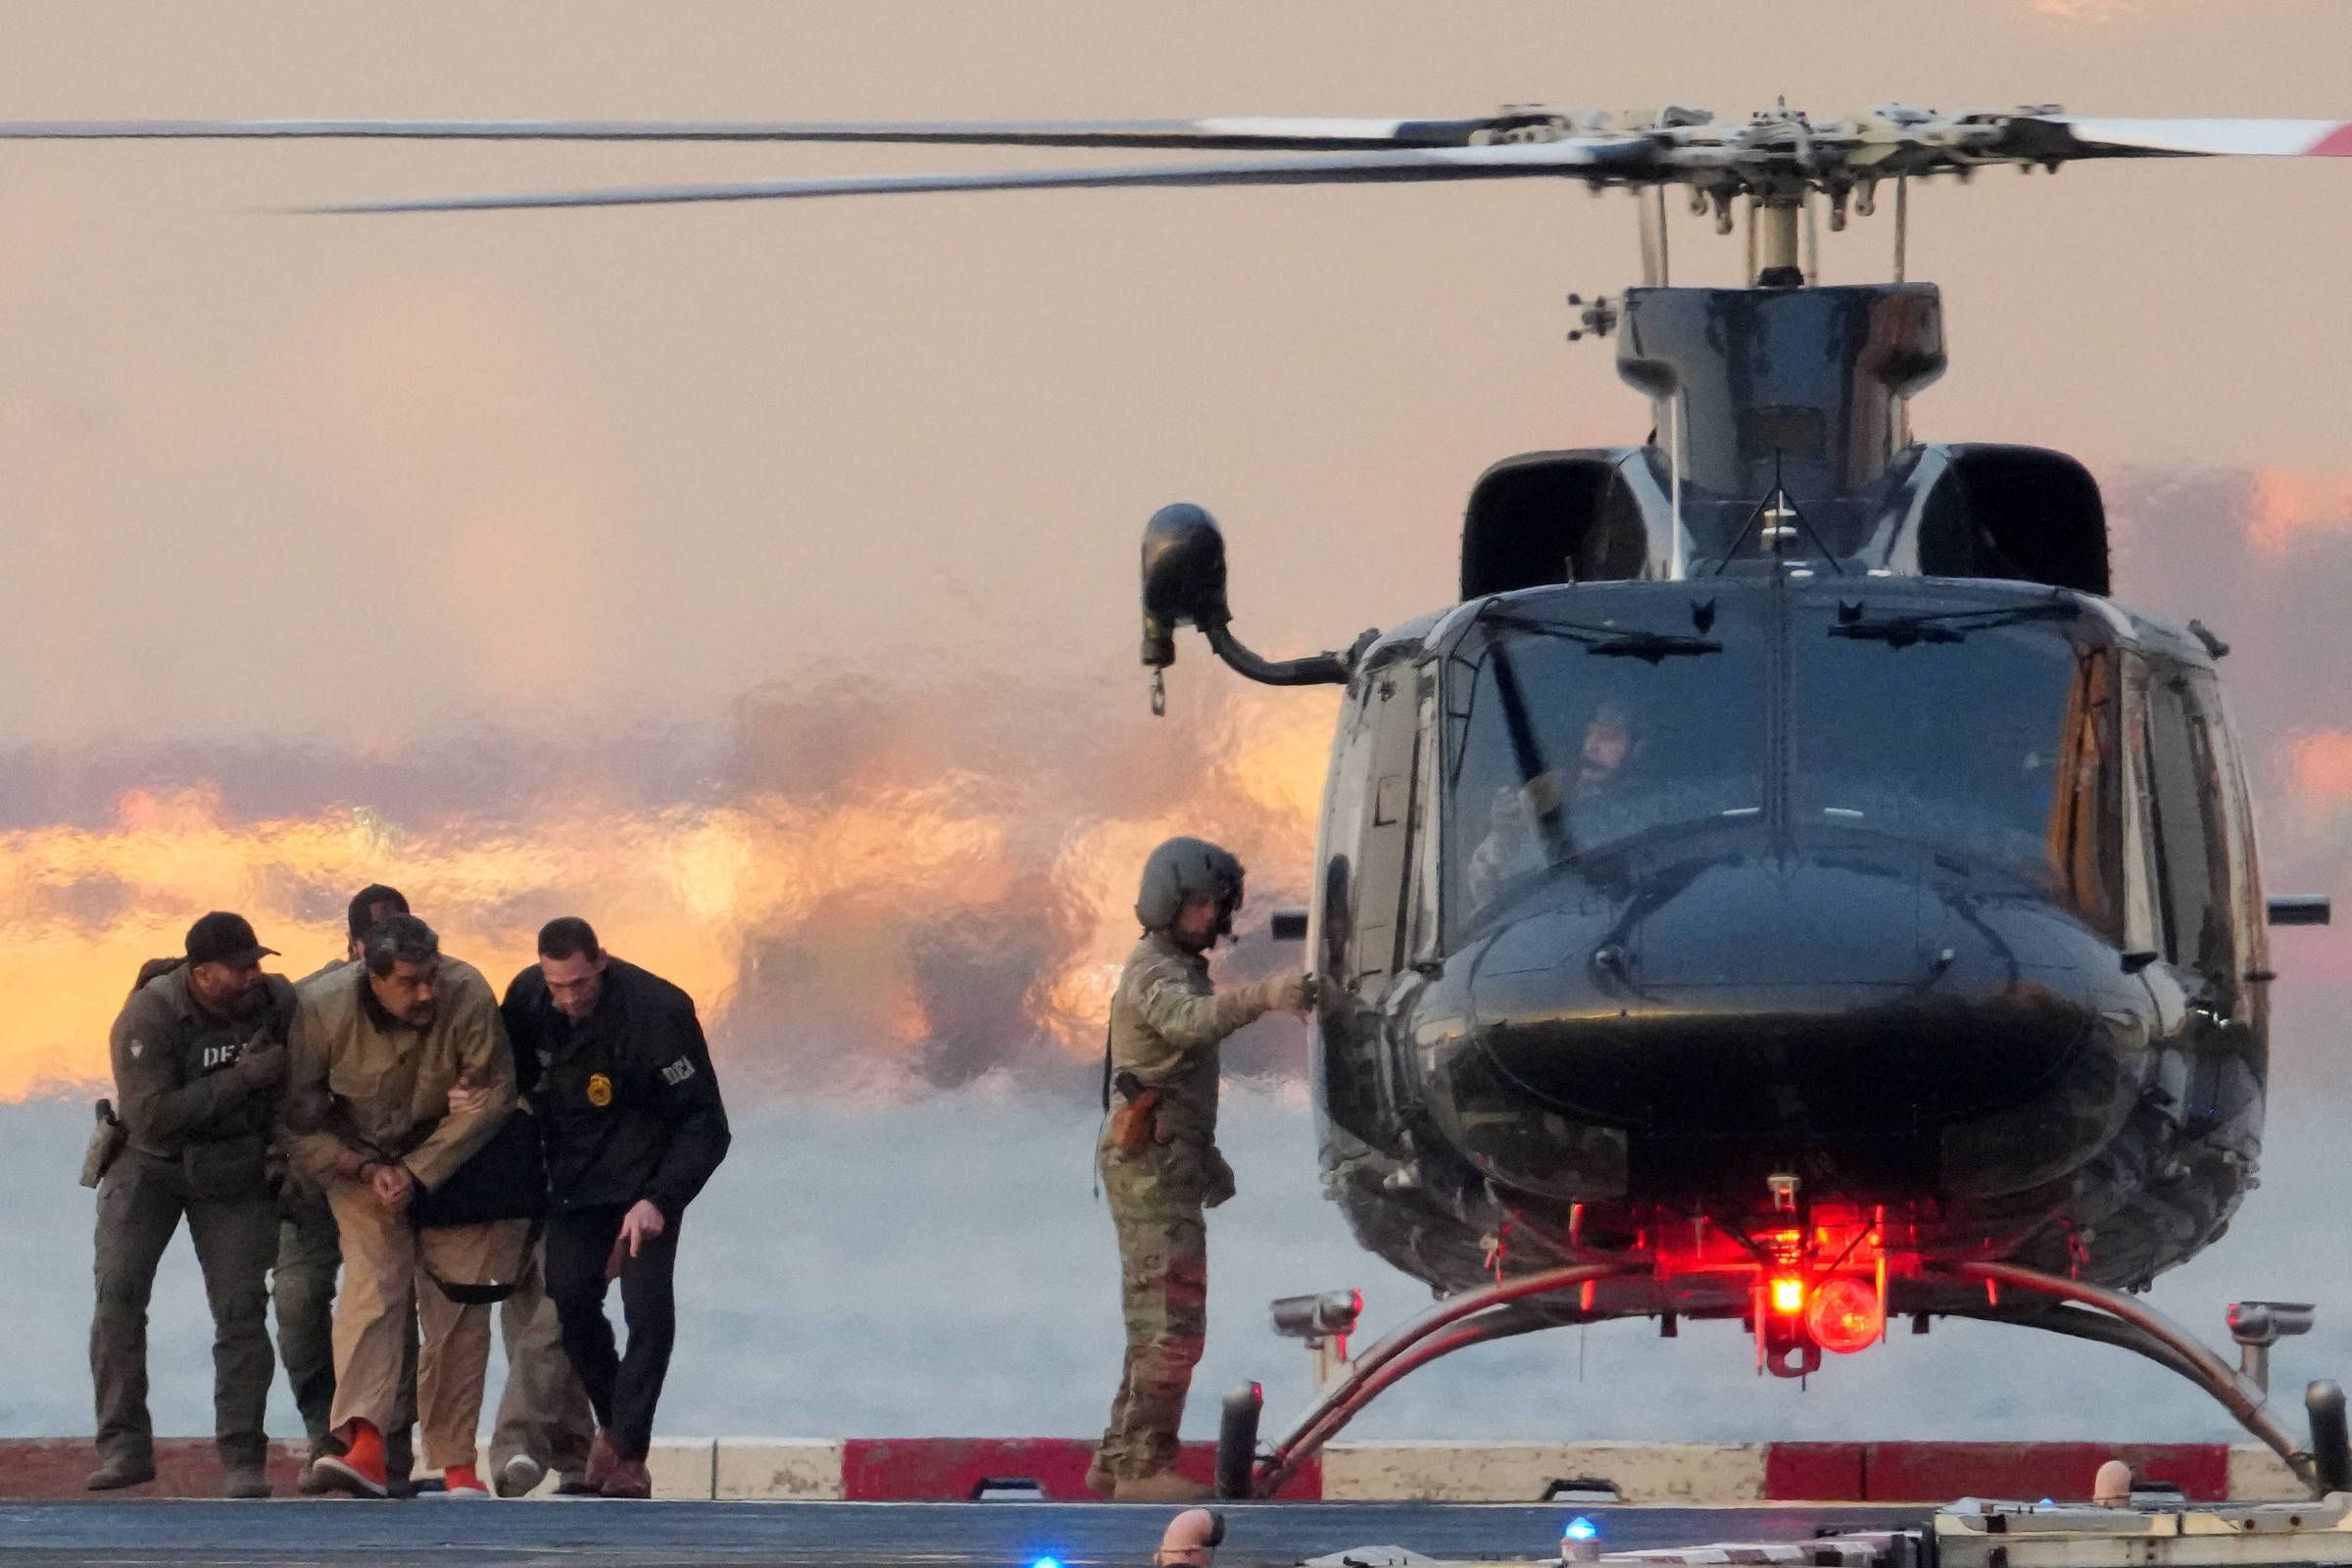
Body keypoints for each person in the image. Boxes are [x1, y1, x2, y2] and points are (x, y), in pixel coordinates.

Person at [1089, 839, 1314, 1503]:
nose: (1207, 917)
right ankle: (1142, 1468)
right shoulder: (1158, 973)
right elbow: (1189, 1027)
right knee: (1173, 1327)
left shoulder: (1174, 967)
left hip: (1167, 1159)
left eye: (1215, 906)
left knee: (1151, 1323)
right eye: (1195, 904)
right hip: (1152, 1166)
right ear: (1166, 903)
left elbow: (1177, 1075)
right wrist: (1269, 994)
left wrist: (1206, 1156)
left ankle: (1118, 1457)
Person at [283, 913, 523, 1498]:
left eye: (432, 976)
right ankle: (363, 1443)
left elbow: (493, 1096)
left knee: (459, 1309)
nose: (427, 992)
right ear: (373, 975)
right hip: (360, 1167)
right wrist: (365, 1170)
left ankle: (458, 1466)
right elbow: (294, 1122)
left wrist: (418, 1170)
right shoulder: (320, 1008)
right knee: (372, 1291)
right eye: (411, 982)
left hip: (452, 1163)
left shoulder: (466, 993)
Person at [501, 917, 730, 1499]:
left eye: (580, 982)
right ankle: (616, 1431)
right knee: (572, 1304)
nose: (570, 997)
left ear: (600, 960)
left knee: (647, 1313)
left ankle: (628, 1455)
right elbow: (513, 1081)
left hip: (648, 1186)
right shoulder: (527, 998)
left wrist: (660, 1199)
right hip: (576, 1186)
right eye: (559, 985)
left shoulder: (659, 1010)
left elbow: (707, 1124)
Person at [89, 912, 294, 1497]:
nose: (256, 973)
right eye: (241, 966)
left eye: (258, 961)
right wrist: (242, 1079)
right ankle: (124, 1446)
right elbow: (152, 1115)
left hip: (231, 1167)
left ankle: (242, 1459)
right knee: (118, 1298)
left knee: (241, 1309)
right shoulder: (148, 1016)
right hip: (149, 1163)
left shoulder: (276, 1002)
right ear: (202, 975)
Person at [276, 884, 417, 1494]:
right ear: (353, 945)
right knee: (298, 1298)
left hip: (391, 1175)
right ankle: (324, 1434)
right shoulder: (314, 1002)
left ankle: (388, 1445)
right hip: (317, 1175)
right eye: (373, 940)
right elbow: (285, 1102)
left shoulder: (429, 998)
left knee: (390, 1304)